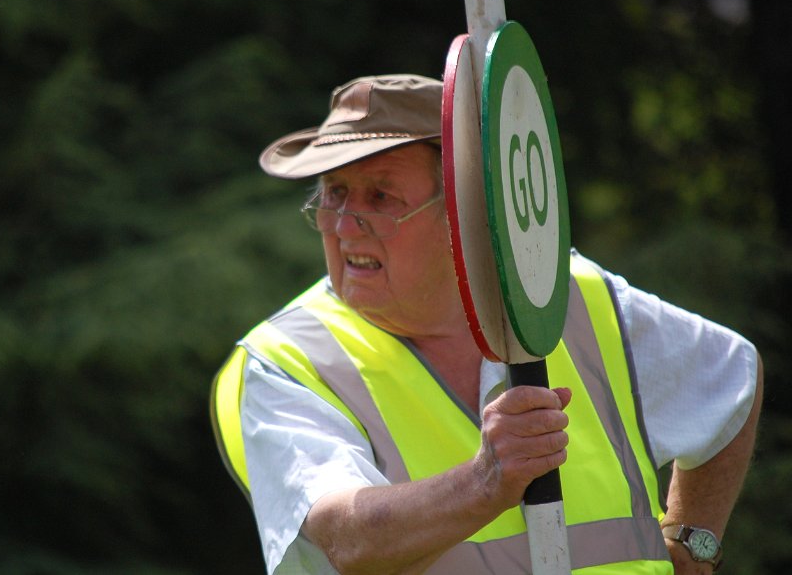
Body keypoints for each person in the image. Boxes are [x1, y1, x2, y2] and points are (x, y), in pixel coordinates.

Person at [211, 74, 762, 575]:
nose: (342, 226)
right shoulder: (289, 358)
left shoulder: (569, 295)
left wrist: (693, 540)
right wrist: (486, 480)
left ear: (462, 209)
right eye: (333, 194)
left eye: (379, 197)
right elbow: (345, 539)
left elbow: (732, 378)